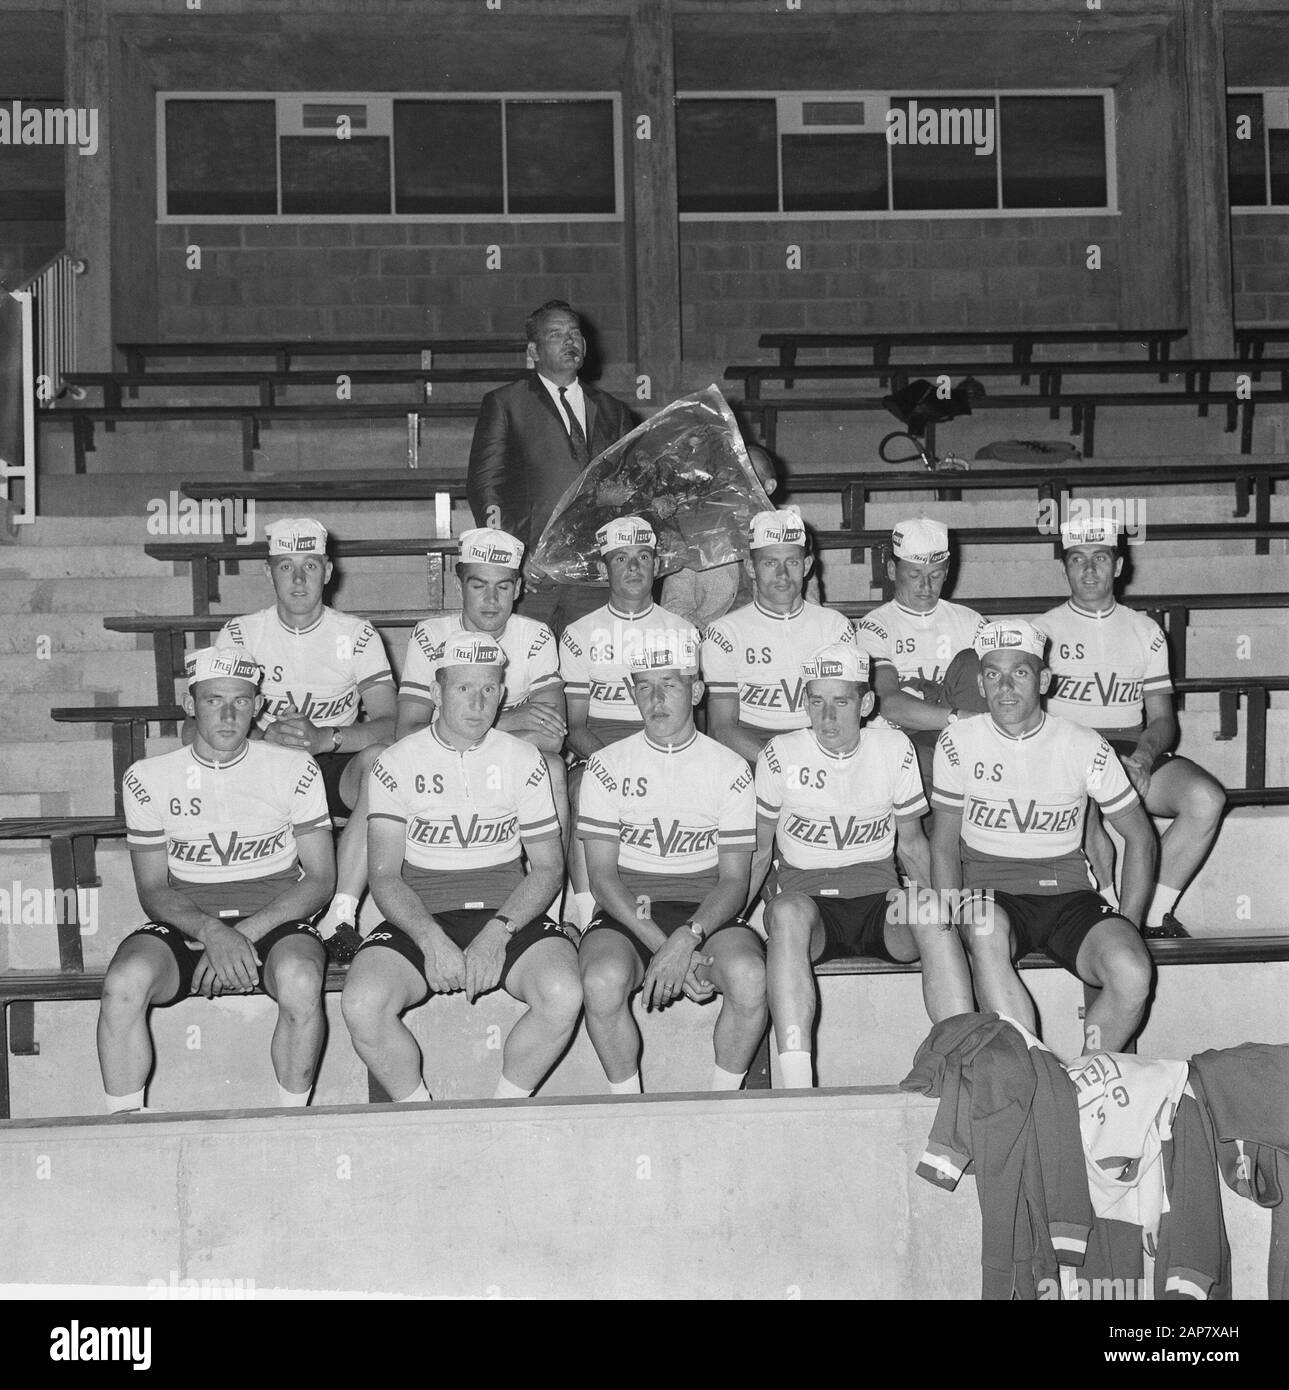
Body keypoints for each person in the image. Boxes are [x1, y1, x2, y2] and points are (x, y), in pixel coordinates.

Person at [341, 633, 581, 1103]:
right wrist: (431, 939)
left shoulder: (525, 760)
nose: (477, 702)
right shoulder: (395, 763)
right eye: (463, 688)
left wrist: (497, 934)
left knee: (563, 992)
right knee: (362, 1004)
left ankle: (504, 1108)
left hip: (506, 908)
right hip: (421, 912)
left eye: (489, 689)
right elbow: (385, 875)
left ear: (503, 693)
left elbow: (548, 868)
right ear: (435, 692)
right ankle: (419, 1111)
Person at [99, 647, 334, 1113]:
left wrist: (240, 935)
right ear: (190, 705)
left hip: (273, 920)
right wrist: (211, 932)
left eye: (241, 701)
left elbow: (321, 880)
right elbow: (152, 889)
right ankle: (125, 1126)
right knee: (122, 984)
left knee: (302, 980)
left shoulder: (295, 768)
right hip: (188, 922)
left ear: (258, 706)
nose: (228, 714)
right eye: (212, 700)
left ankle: (290, 1118)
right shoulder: (148, 778)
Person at [930, 621, 1158, 1056]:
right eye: (993, 674)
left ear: (1044, 679)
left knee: (1131, 971)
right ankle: (1036, 1072)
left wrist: (1129, 921)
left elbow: (1141, 838)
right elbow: (943, 844)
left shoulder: (1083, 744)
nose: (1006, 686)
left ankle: (1086, 1073)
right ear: (980, 682)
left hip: (1067, 892)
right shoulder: (958, 741)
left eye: (1020, 672)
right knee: (982, 927)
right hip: (990, 893)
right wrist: (950, 916)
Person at [753, 643, 972, 1088]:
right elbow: (758, 853)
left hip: (879, 903)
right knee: (786, 911)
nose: (828, 718)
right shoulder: (780, 753)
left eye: (842, 702)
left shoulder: (894, 748)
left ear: (866, 703)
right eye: (817, 701)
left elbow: (912, 846)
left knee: (930, 909)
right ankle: (797, 1086)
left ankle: (964, 1068)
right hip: (809, 907)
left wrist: (946, 914)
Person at [576, 636, 766, 1093]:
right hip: (632, 913)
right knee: (601, 981)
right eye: (645, 687)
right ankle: (628, 1105)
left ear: (697, 692)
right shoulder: (604, 766)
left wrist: (690, 937)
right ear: (630, 692)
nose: (656, 699)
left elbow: (735, 880)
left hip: (707, 912)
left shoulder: (731, 768)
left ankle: (724, 1099)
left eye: (670, 686)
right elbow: (602, 880)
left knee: (751, 976)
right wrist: (667, 947)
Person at [211, 517, 396, 953]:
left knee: (383, 761)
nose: (297, 579)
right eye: (285, 566)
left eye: (309, 566)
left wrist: (324, 739)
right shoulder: (241, 633)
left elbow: (392, 723)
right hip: (265, 765)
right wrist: (260, 737)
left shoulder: (357, 634)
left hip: (332, 762)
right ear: (267, 571)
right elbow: (209, 722)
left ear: (328, 572)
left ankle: (341, 915)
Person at [1036, 516, 1226, 937]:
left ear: (1118, 567)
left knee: (1206, 798)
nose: (1088, 570)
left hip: (1129, 748)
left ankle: (1153, 916)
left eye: (1099, 558)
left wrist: (1142, 756)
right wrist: (1092, 763)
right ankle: (1105, 916)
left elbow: (1161, 720)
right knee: (1083, 815)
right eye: (1077, 559)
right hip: (1069, 754)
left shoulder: (1146, 630)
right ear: (1065, 568)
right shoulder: (1041, 633)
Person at [397, 526, 570, 871]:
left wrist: (458, 728)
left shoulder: (534, 635)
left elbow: (552, 735)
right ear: (460, 585)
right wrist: (511, 719)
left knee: (551, 767)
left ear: (518, 588)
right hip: (439, 764)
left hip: (500, 761)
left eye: (503, 586)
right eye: (479, 585)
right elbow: (405, 732)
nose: (491, 600)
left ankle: (553, 906)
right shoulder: (431, 635)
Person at [559, 516, 699, 934]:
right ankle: (585, 915)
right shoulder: (579, 634)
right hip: (599, 748)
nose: (634, 568)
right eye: (621, 558)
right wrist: (615, 765)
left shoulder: (683, 631)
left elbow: (695, 714)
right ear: (605, 569)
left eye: (643, 557)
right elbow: (574, 725)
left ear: (657, 565)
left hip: (672, 746)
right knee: (585, 787)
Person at [466, 299, 635, 634]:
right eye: (556, 334)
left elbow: (630, 485)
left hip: (595, 575)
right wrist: (513, 554)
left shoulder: (613, 410)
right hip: (533, 574)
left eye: (575, 333)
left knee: (590, 672)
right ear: (534, 350)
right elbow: (486, 486)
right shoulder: (505, 403)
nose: (569, 340)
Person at [702, 506, 856, 765]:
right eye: (770, 563)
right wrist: (779, 765)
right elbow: (722, 728)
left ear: (806, 565)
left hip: (820, 746)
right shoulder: (724, 633)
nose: (782, 575)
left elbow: (844, 716)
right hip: (752, 750)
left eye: (792, 562)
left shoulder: (835, 628)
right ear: (751, 567)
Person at [855, 518, 986, 785]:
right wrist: (960, 719)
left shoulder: (970, 621)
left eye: (935, 575)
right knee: (922, 758)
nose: (926, 586)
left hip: (960, 738)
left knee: (975, 661)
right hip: (901, 737)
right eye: (914, 575)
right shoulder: (875, 625)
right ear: (892, 570)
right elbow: (888, 702)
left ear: (947, 572)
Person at [661, 445, 815, 629]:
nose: (735, 485)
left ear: (769, 486)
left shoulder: (792, 535)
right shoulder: (693, 536)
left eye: (746, 476)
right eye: (729, 475)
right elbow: (674, 609)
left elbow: (811, 607)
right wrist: (714, 641)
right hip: (710, 642)